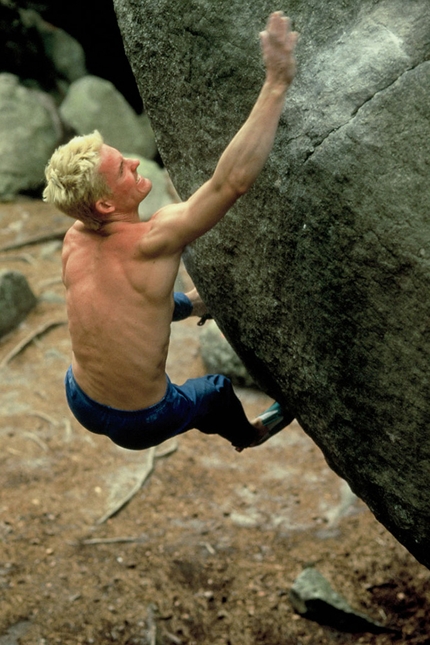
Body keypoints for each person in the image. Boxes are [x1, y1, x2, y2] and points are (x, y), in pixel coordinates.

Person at [43, 11, 298, 452]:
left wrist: (187, 303)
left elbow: (122, 304)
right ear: (105, 203)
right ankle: (251, 435)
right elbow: (229, 183)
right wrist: (276, 82)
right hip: (145, 419)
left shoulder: (74, 240)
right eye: (123, 168)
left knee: (151, 301)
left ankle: (192, 303)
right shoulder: (153, 241)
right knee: (215, 391)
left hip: (79, 396)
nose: (136, 163)